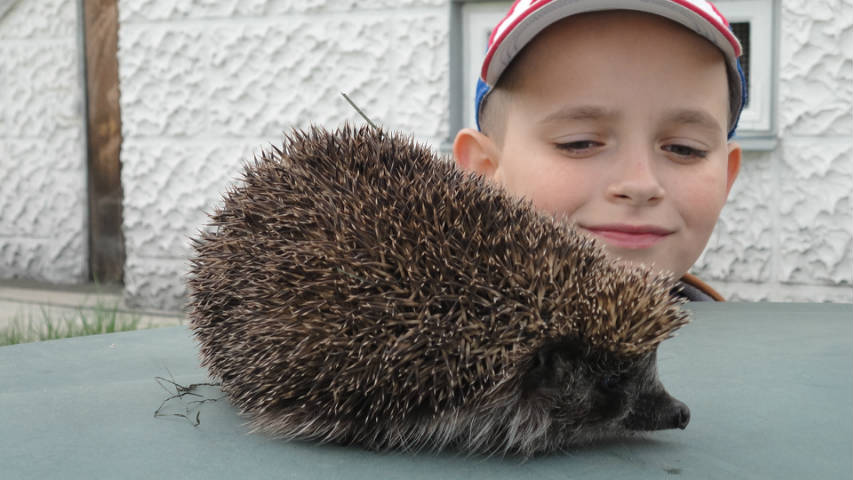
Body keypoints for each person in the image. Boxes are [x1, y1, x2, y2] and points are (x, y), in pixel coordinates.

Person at [452, 0, 745, 301]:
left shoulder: (738, 346)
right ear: (482, 172)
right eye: (579, 143)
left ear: (726, 176)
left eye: (685, 149)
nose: (639, 185)